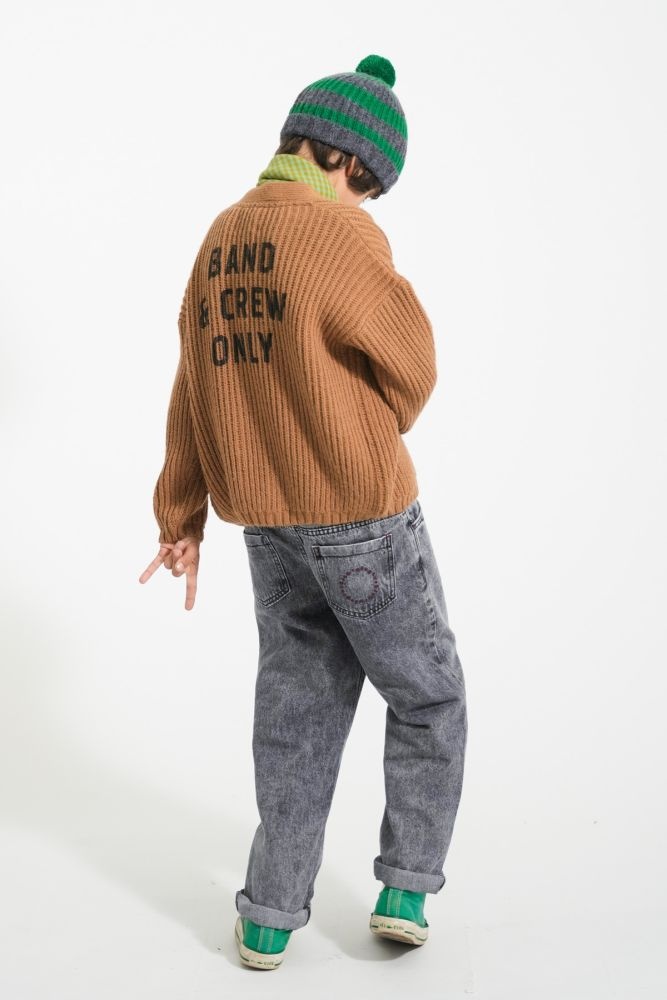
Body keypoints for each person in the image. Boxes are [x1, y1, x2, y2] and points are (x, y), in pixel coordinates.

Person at [139, 53, 468, 971]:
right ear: (349, 162)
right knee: (428, 695)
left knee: (299, 717)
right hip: (361, 517)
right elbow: (413, 365)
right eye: (371, 186)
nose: (368, 204)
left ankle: (268, 916)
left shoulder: (221, 234)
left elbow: (193, 383)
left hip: (268, 529)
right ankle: (405, 887)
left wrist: (180, 513)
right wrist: (361, 423)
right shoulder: (342, 234)